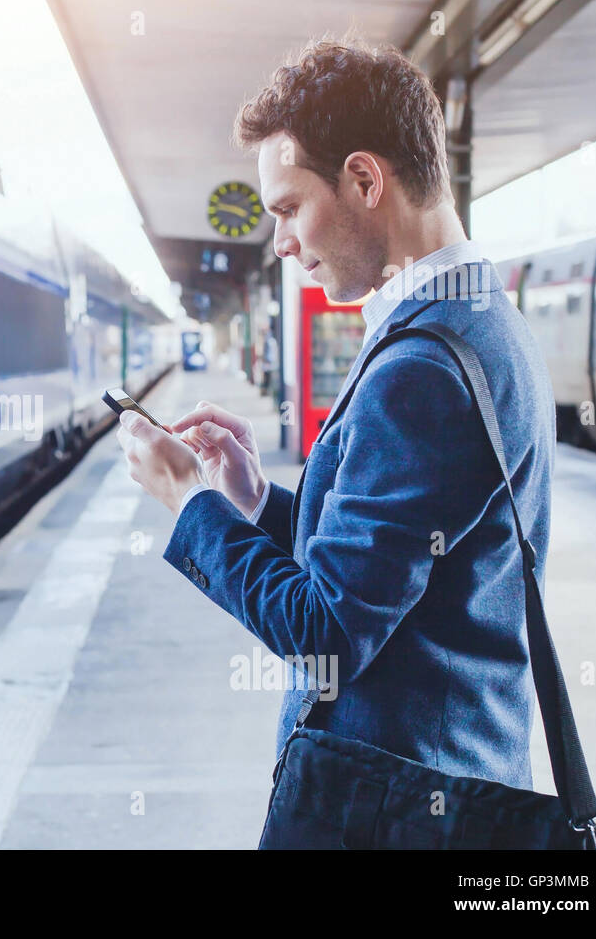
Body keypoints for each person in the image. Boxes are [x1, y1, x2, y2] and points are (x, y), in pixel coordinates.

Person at [115, 38, 555, 791]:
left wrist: (190, 503)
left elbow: (327, 635)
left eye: (289, 209)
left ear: (362, 178)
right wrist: (252, 500)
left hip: (397, 801)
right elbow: (391, 569)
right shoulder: (478, 319)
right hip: (448, 776)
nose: (281, 241)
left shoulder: (422, 366)